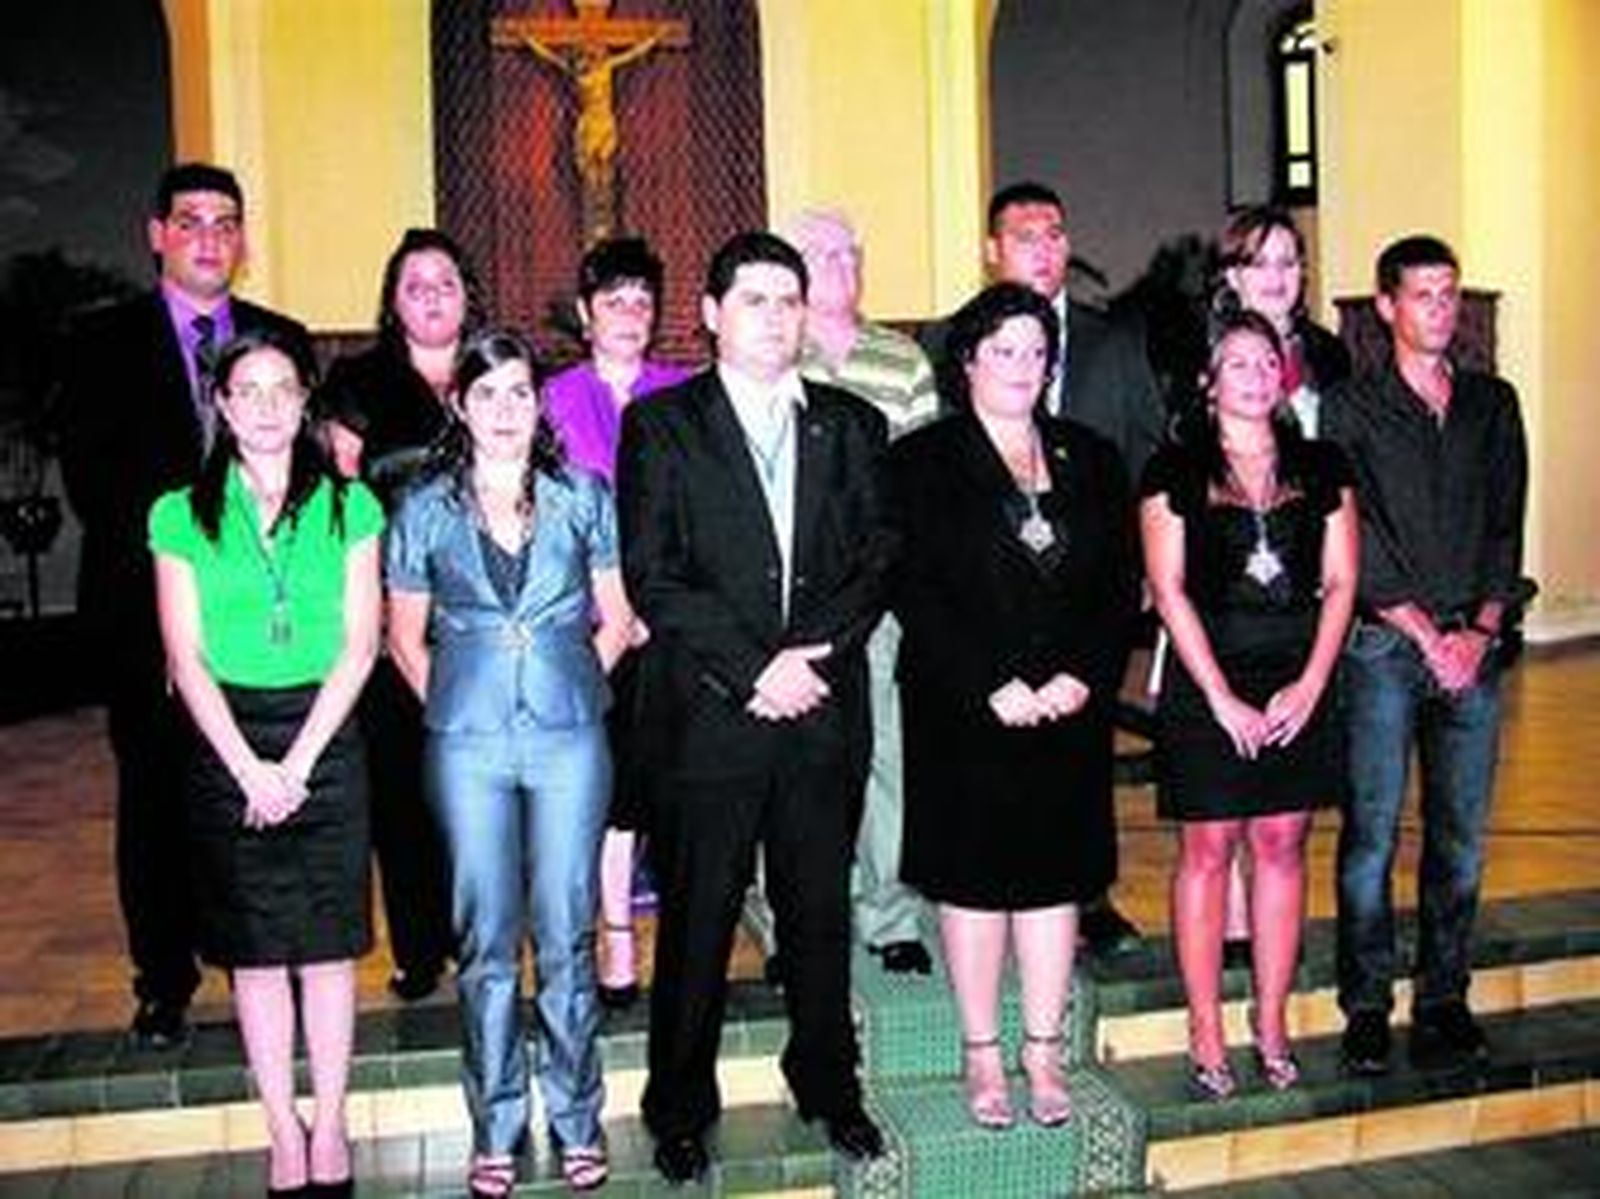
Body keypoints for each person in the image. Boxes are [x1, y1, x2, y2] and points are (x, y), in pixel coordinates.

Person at [617, 232, 892, 1183]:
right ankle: (680, 1104)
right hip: (711, 715)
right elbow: (656, 575)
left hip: (820, 707)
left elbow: (874, 560)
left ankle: (828, 1082)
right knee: (699, 916)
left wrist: (804, 659)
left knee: (820, 911)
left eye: (789, 300)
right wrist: (753, 668)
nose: (775, 318)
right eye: (755, 300)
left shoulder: (851, 425)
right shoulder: (661, 426)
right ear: (710, 312)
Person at [57, 162, 311, 1048]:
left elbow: (305, 480)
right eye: (192, 220)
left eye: (227, 221)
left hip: (271, 627)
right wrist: (191, 582)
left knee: (257, 794)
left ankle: (258, 967)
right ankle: (163, 978)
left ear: (243, 238)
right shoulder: (101, 341)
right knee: (158, 801)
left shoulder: (281, 339)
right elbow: (95, 482)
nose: (211, 236)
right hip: (145, 617)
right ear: (156, 233)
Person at [387, 329, 631, 1196]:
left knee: (567, 932)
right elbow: (404, 639)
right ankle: (495, 1122)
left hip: (569, 736)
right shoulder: (422, 507)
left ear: (540, 402)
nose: (503, 410)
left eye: (519, 392)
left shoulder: (583, 495)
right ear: (460, 403)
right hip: (468, 744)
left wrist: (564, 681)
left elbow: (618, 617)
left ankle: (576, 1118)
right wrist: (462, 706)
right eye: (485, 393)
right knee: (485, 937)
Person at [891, 283, 1135, 1128]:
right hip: (966, 706)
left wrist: (1084, 674)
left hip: (1067, 707)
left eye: (1036, 352)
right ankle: (982, 1055)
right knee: (975, 881)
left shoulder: (1090, 456)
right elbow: (912, 589)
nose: (1022, 367)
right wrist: (988, 681)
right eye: (1003, 350)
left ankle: (1043, 1051)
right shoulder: (921, 462)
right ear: (967, 362)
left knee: (1053, 877)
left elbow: (1116, 585)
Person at [149, 329, 381, 1195]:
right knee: (253, 951)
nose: (267, 405)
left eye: (284, 388)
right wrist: (251, 768)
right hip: (225, 742)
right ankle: (283, 1127)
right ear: (221, 402)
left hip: (326, 729)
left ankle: (332, 1119)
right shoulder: (178, 512)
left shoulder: (351, 505)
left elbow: (361, 647)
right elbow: (185, 658)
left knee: (325, 947)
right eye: (247, 389)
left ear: (306, 400)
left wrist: (298, 763)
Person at [1140, 311, 1357, 1098]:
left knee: (1281, 843)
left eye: (1268, 361)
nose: (1257, 373)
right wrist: (1222, 696)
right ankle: (1205, 1026)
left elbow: (1340, 582)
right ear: (1209, 381)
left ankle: (1270, 1019)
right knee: (1208, 849)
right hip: (1209, 683)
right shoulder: (1173, 467)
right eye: (1238, 362)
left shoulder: (1322, 462)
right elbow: (1167, 590)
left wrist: (1311, 682)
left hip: (1299, 676)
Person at [1325, 236, 1528, 1075]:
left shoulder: (1492, 402)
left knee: (1460, 838)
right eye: (1423, 295)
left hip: (1471, 651)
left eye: (1450, 294)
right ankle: (1367, 1004)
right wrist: (1422, 631)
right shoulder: (1350, 407)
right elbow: (1356, 532)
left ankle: (1444, 997)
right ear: (1386, 306)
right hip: (1383, 647)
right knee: (1371, 834)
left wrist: (1477, 632)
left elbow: (1504, 523)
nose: (1440, 310)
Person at [946, 180, 1164, 957]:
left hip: (1084, 590)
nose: (1046, 247)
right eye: (1026, 234)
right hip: (987, 593)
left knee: (1081, 747)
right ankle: (987, 894)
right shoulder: (954, 341)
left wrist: (1144, 565)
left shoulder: (1114, 342)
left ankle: (1087, 894)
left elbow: (1146, 457)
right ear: (992, 250)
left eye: (1056, 233)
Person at [320, 227, 485, 1002]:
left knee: (480, 786)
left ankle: (482, 937)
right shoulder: (359, 382)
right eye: (414, 282)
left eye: (445, 280)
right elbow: (336, 501)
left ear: (467, 293)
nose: (430, 293)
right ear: (393, 299)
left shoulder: (497, 373)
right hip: (392, 617)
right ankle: (420, 948)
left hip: (486, 618)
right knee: (403, 790)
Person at [787, 207, 939, 976]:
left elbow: (922, 483)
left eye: (851, 251)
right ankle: (793, 922)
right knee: (795, 762)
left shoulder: (901, 357)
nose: (842, 264)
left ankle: (889, 913)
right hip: (792, 603)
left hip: (880, 597)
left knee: (887, 753)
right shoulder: (776, 353)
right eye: (823, 252)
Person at [543, 237, 689, 1012]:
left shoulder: (687, 390)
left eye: (642, 300)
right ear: (585, 313)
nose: (630, 314)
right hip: (591, 627)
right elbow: (547, 515)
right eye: (614, 301)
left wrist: (661, 608)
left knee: (676, 779)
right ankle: (615, 936)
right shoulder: (554, 398)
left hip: (676, 626)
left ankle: (692, 934)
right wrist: (615, 611)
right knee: (613, 783)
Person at [1211, 206, 1353, 964]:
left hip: (1308, 577)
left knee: (1290, 780)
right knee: (1225, 771)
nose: (1278, 277)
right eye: (1262, 262)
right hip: (1223, 582)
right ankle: (1231, 920)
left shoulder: (1328, 356)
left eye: (1291, 262)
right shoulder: (1194, 351)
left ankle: (1275, 915)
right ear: (1232, 274)